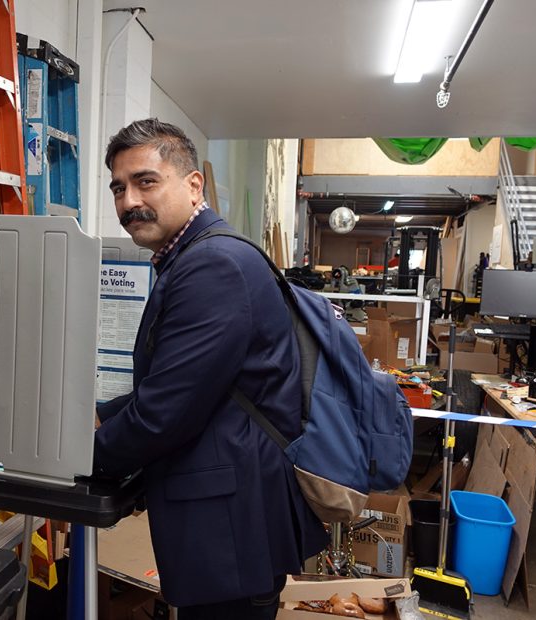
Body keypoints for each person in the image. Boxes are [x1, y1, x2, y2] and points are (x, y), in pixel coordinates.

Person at [94, 118, 327, 619]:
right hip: (233, 515)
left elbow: (166, 413)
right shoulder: (196, 255)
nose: (129, 200)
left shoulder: (212, 265)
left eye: (146, 181)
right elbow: (189, 382)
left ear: (193, 184)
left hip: (230, 525)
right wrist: (104, 414)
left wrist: (76, 456)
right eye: (119, 187)